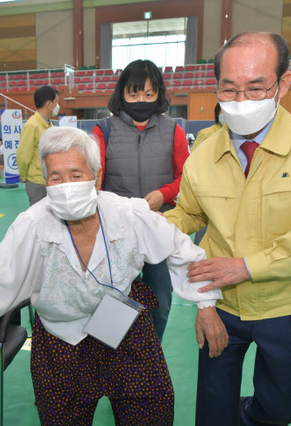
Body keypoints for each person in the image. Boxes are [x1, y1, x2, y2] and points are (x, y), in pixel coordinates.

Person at [0, 126, 223, 425]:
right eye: (56, 177)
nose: (66, 185)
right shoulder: (33, 224)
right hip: (60, 340)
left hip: (124, 328)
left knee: (151, 410)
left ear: (97, 177)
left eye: (76, 175)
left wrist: (205, 305)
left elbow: (183, 251)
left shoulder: (128, 214)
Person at [164, 32, 291, 425]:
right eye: (229, 89)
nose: (240, 101)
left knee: (283, 405)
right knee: (213, 409)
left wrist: (248, 266)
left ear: (283, 84)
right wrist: (144, 227)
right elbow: (189, 214)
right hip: (221, 303)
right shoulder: (204, 150)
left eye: (256, 88)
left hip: (290, 304)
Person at [92, 59, 191, 341]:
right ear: (121, 93)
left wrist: (165, 194)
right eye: (134, 94)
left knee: (160, 296)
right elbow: (95, 181)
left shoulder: (174, 130)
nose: (141, 100)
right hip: (116, 231)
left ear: (159, 94)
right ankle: (113, 354)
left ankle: (151, 351)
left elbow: (185, 175)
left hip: (158, 227)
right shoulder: (104, 130)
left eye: (149, 94)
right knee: (115, 293)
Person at [16, 85, 59, 205]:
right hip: (37, 182)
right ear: (49, 104)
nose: (57, 106)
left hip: (51, 180)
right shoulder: (32, 125)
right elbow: (23, 155)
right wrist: (24, 176)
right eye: (56, 102)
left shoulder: (50, 125)